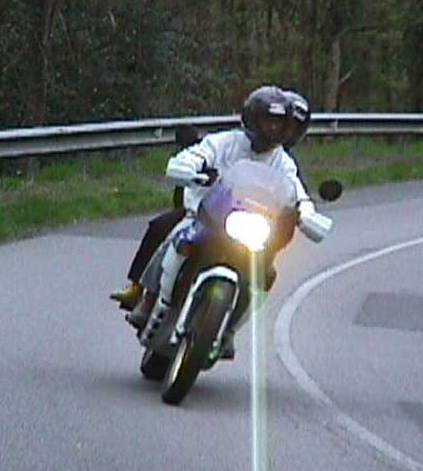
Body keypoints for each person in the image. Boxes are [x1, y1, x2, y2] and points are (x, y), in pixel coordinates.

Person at [127, 85, 325, 352]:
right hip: (208, 216)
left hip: (251, 226)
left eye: (279, 123)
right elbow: (198, 154)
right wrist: (187, 165)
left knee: (266, 274)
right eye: (268, 120)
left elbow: (295, 191)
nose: (272, 128)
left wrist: (307, 213)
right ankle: (151, 299)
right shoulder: (226, 141)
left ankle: (229, 328)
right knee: (178, 236)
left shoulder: (283, 161)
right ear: (252, 117)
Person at [110, 125, 198, 310]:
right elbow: (179, 201)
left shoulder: (231, 156)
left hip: (226, 217)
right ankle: (138, 287)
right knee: (159, 227)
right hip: (195, 211)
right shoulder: (199, 157)